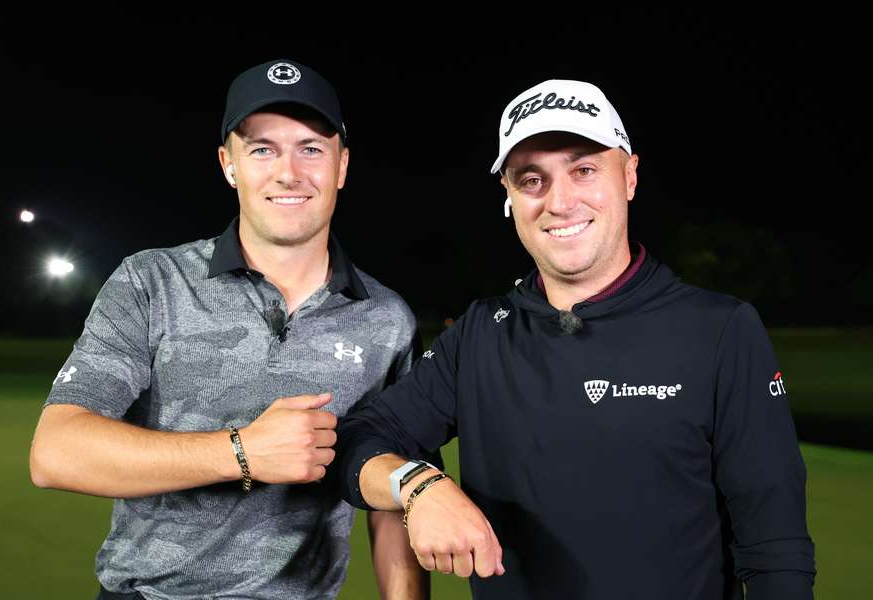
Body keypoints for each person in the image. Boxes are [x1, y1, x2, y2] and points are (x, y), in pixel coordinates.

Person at [333, 78, 816, 599]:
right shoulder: (478, 336)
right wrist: (418, 486)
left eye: (584, 170)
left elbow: (776, 553)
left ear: (629, 176)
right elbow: (358, 442)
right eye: (532, 180)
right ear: (510, 197)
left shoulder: (720, 329)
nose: (559, 202)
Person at [30, 59, 431, 600]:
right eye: (262, 148)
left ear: (342, 166)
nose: (288, 171)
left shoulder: (387, 320)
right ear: (229, 164)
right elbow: (56, 452)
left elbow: (394, 503)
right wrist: (241, 452)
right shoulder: (152, 281)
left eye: (311, 148)